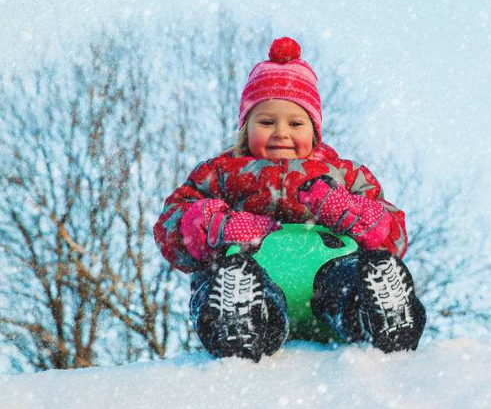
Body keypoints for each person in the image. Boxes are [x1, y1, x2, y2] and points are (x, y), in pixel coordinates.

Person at [153, 37, 426, 361]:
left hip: (328, 269)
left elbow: (393, 232)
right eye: (266, 122)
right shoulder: (220, 173)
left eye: (295, 123)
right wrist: (217, 224)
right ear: (246, 128)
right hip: (252, 269)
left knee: (354, 278)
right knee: (221, 277)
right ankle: (240, 323)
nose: (281, 132)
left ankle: (380, 315)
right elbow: (171, 226)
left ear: (313, 130)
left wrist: (356, 214)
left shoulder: (343, 174)